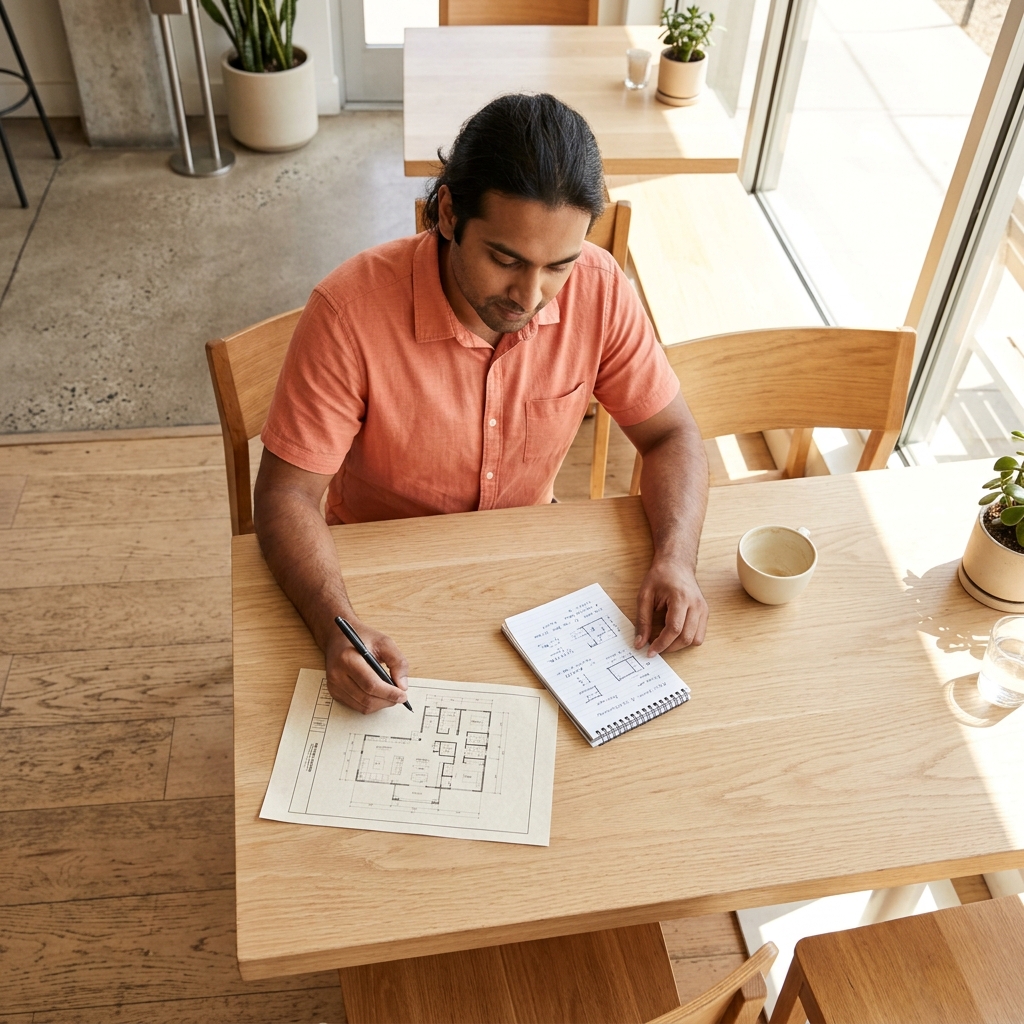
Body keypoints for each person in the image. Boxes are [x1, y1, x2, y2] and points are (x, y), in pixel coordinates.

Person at [253, 92, 709, 715]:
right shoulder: (347, 314)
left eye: (559, 266)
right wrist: (337, 625)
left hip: (531, 577)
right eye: (505, 258)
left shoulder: (600, 288)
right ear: (447, 212)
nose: (531, 295)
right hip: (373, 585)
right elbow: (286, 495)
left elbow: (671, 437)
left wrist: (676, 560)